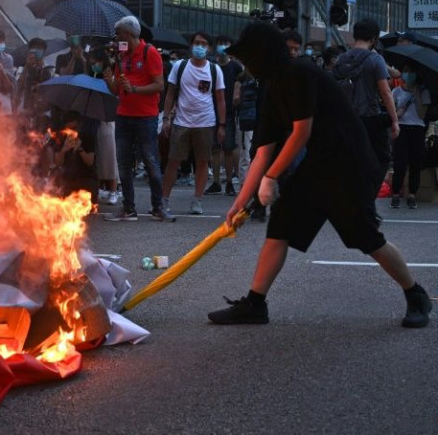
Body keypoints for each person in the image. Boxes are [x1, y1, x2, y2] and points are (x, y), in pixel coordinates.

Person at [207, 22, 432, 329]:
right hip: (317, 165)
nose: (246, 64)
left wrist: (271, 178)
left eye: (249, 57)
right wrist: (241, 202)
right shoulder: (272, 87)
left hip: (349, 163)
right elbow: (263, 150)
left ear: (262, 55)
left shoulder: (299, 73)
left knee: (367, 238)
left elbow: (301, 133)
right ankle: (254, 304)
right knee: (280, 227)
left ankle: (415, 294)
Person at [103, 15, 170, 222]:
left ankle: (158, 206)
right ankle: (129, 208)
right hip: (123, 115)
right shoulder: (121, 56)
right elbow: (116, 90)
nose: (116, 38)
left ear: (129, 34)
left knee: (151, 161)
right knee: (123, 162)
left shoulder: (150, 53)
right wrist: (109, 80)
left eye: (119, 33)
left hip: (146, 117)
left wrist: (135, 89)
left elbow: (159, 85)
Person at [161, 32, 225, 216]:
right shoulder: (180, 66)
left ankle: (197, 200)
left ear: (209, 48)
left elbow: (220, 100)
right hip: (181, 122)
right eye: (197, 43)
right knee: (173, 161)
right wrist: (166, 119)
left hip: (206, 122)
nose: (200, 47)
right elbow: (170, 94)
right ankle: (164, 200)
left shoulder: (214, 70)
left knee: (203, 162)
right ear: (191, 45)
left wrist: (222, 125)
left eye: (204, 44)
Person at [333, 19, 399, 181]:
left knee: (351, 160)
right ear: (374, 38)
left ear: (355, 36)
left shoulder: (341, 59)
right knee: (382, 159)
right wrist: (395, 120)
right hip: (370, 118)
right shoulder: (374, 60)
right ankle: (367, 195)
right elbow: (385, 92)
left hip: (346, 119)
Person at [206, 34, 243, 197]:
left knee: (228, 148)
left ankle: (228, 181)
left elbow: (241, 87)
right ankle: (215, 182)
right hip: (211, 112)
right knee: (214, 148)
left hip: (229, 113)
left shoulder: (236, 67)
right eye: (220, 44)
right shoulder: (211, 66)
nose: (222, 47)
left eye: (225, 44)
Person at [390, 64, 430, 210]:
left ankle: (412, 195)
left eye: (411, 72)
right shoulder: (396, 91)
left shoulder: (423, 92)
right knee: (400, 163)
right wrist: (399, 110)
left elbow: (422, 114)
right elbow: (392, 111)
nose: (408, 75)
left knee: (415, 163)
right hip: (402, 128)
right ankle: (395, 194)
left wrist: (417, 94)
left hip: (418, 129)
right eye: (406, 71)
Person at [87, 46, 120, 205]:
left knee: (109, 152)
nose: (94, 64)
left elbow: (115, 94)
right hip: (92, 116)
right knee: (97, 154)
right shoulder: (90, 74)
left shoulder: (110, 74)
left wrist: (109, 82)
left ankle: (113, 189)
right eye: (92, 61)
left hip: (107, 118)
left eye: (96, 61)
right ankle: (100, 187)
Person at [51, 110, 98, 203]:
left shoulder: (87, 137)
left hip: (85, 177)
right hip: (67, 178)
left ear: (80, 126)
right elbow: (57, 163)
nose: (72, 132)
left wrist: (80, 149)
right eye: (69, 129)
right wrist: (64, 150)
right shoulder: (60, 137)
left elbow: (90, 162)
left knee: (88, 199)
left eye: (75, 128)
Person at [13, 37, 53, 129]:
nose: (37, 51)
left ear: (44, 51)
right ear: (30, 50)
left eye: (39, 48)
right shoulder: (22, 68)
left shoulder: (49, 68)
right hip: (24, 109)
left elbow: (49, 88)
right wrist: (27, 66)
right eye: (34, 48)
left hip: (41, 111)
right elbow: (18, 86)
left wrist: (41, 68)